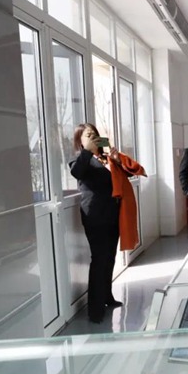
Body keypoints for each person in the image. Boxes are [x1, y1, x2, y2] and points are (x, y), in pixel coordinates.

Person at [69, 123, 146, 323]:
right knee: (99, 259)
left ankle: (107, 296)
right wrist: (87, 151)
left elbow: (129, 174)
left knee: (110, 257)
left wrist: (117, 160)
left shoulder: (107, 158)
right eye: (88, 135)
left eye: (95, 134)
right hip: (95, 216)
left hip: (114, 214)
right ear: (80, 140)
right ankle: (95, 310)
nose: (93, 137)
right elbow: (76, 172)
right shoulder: (80, 159)